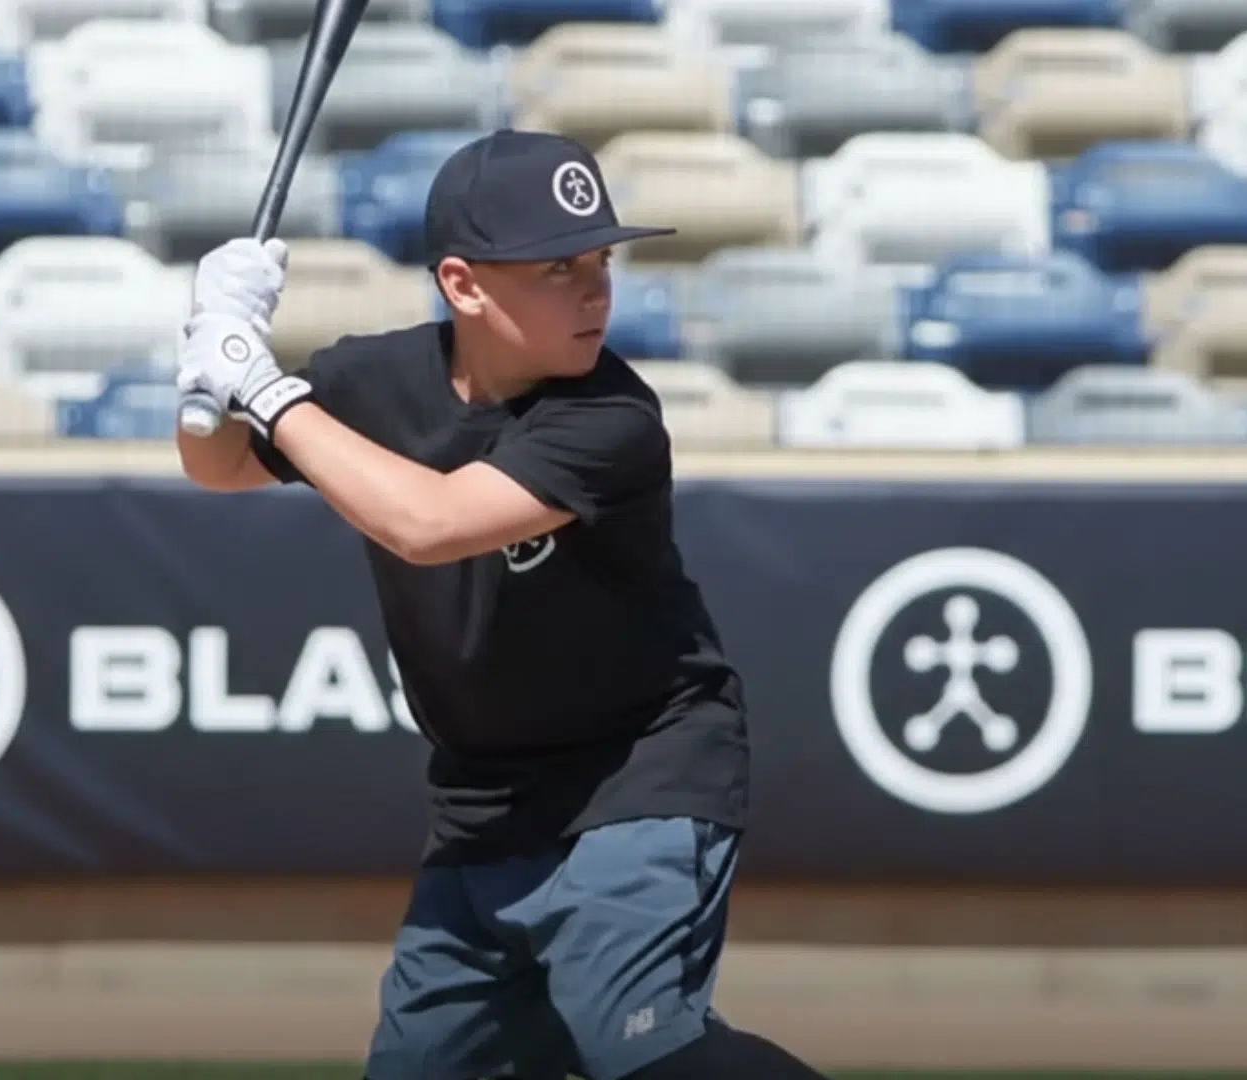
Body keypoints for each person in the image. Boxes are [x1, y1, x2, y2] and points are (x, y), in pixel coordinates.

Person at [173, 129, 831, 1080]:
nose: (596, 288)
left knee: (642, 1044)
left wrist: (264, 386)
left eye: (601, 258)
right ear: (463, 283)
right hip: (482, 806)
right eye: (559, 266)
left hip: (635, 775)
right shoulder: (370, 379)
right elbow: (219, 467)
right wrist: (203, 356)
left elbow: (428, 524)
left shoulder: (611, 417)